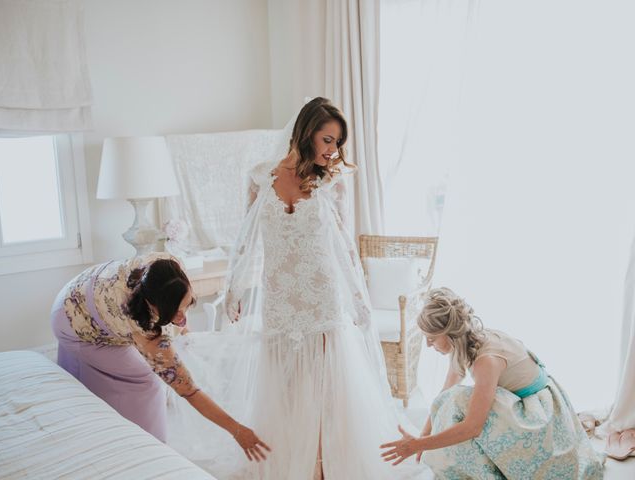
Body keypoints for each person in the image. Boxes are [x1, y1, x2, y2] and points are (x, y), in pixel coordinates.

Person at [172, 97, 423, 479]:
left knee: (325, 392)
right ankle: (292, 462)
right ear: (306, 134)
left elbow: (344, 248)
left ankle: (322, 468)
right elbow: (246, 238)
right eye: (327, 140)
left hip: (321, 298)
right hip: (279, 299)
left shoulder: (333, 184)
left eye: (337, 143)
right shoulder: (260, 176)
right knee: (286, 390)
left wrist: (359, 301)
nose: (333, 150)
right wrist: (234, 289)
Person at [50, 253, 270, 462]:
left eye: (188, 304)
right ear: (154, 308)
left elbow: (178, 308)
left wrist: (185, 330)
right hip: (72, 321)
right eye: (174, 313)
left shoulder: (167, 265)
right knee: (146, 379)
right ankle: (149, 450)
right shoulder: (143, 329)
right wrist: (237, 430)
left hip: (82, 288)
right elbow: (189, 390)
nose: (183, 316)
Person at [380, 287, 605, 479]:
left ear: (449, 335)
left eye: (431, 338)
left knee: (458, 403)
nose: (429, 345)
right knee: (449, 400)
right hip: (527, 402)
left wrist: (418, 445)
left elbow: (472, 427)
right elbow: (443, 393)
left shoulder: (486, 361)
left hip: (540, 414)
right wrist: (422, 438)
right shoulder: (466, 342)